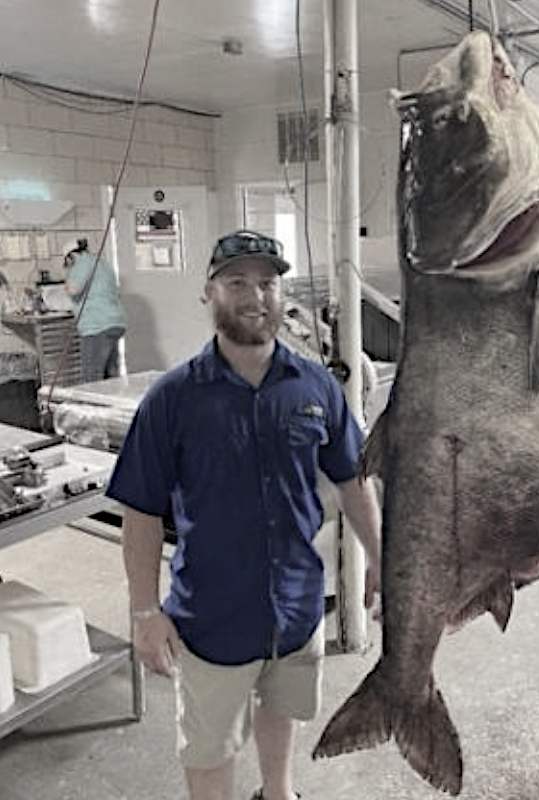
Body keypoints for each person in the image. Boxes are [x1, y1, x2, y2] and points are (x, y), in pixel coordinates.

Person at [105, 229, 383, 800]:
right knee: (209, 744)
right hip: (213, 615)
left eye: (267, 282)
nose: (255, 295)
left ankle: (277, 792)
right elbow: (139, 513)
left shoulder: (316, 388)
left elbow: (353, 481)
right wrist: (143, 611)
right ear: (208, 293)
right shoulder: (173, 398)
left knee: (281, 706)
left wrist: (382, 560)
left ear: (284, 297)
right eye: (237, 282)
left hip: (300, 603)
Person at [63, 238, 127, 382]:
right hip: (114, 323)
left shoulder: (82, 263)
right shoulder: (102, 263)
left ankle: (91, 405)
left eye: (67, 264)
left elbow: (73, 290)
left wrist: (66, 282)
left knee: (92, 379)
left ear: (71, 257)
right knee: (111, 377)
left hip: (97, 326)